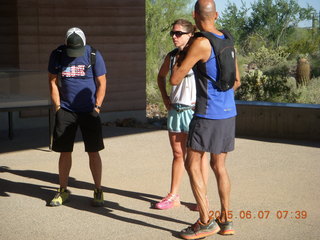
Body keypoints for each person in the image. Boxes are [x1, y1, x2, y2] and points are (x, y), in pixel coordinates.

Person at [169, 0, 241, 239]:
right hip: (228, 112)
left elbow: (175, 79)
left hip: (206, 114)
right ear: (216, 15)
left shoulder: (200, 43)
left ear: (194, 15)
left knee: (191, 163)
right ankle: (226, 220)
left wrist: (184, 53)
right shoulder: (227, 39)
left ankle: (205, 221)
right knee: (219, 166)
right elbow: (237, 81)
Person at [48, 27, 107, 207]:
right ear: (66, 44)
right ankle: (63, 190)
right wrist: (58, 107)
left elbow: (102, 82)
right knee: (64, 151)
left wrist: (97, 107)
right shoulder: (57, 54)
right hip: (66, 110)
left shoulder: (93, 54)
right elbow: (52, 80)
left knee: (93, 150)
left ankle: (98, 189)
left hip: (89, 110)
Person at [156, 19, 208, 210]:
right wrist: (165, 99)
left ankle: (202, 197)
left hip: (195, 111)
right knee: (178, 154)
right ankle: (173, 195)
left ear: (190, 35)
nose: (174, 37)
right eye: (173, 34)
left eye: (178, 33)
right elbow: (161, 77)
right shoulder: (171, 57)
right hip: (176, 110)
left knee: (200, 156)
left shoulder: (199, 56)